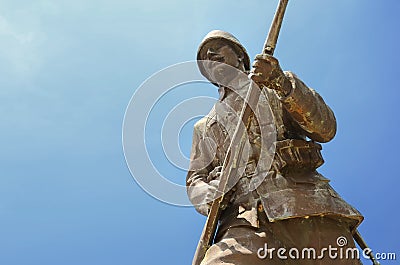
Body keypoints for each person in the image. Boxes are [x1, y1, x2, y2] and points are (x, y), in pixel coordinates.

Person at [186, 30, 364, 265]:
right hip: (242, 224)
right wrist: (210, 193)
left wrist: (281, 83)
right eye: (204, 58)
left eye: (219, 47)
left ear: (241, 56)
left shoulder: (275, 84)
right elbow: (195, 179)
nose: (210, 54)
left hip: (308, 207)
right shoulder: (204, 127)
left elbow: (325, 128)